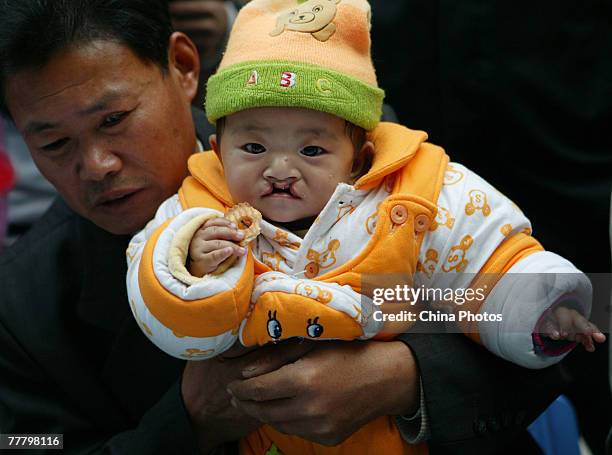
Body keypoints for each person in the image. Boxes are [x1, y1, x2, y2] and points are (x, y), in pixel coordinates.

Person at [0, 0, 575, 453]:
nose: (97, 163)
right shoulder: (23, 304)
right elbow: (31, 443)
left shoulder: (351, 156)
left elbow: (562, 322)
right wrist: (189, 423)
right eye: (53, 142)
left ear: (182, 65)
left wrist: (408, 377)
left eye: (114, 119)